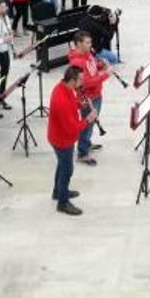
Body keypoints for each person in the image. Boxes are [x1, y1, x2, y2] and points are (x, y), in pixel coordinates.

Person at [47, 66, 96, 216]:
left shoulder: (63, 87)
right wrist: (88, 119)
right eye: (81, 79)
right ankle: (62, 203)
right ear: (73, 80)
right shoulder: (62, 100)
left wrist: (81, 104)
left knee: (61, 165)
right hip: (63, 140)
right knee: (67, 170)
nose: (83, 82)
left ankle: (57, 191)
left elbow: (72, 101)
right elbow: (73, 128)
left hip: (58, 135)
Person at [66, 30, 111, 166]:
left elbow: (91, 68)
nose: (91, 44)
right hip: (87, 98)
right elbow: (86, 82)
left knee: (90, 124)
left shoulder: (87, 54)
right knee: (87, 124)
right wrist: (105, 74)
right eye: (87, 42)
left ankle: (87, 143)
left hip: (96, 94)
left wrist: (100, 65)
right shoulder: (77, 62)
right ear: (78, 44)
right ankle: (82, 153)